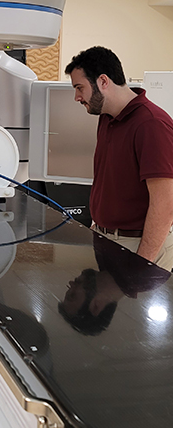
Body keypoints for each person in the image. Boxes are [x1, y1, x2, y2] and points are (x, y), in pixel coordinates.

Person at [65, 46, 173, 271]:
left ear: (103, 81)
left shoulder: (151, 124)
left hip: (138, 245)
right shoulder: (106, 118)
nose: (76, 97)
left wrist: (142, 264)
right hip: (107, 239)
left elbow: (165, 205)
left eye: (79, 88)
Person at [59, 233, 171, 335]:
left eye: (69, 288)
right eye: (73, 295)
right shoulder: (146, 277)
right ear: (96, 306)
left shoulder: (106, 268)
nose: (71, 283)